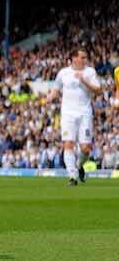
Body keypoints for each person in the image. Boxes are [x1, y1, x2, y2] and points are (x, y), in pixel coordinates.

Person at [47, 49, 102, 185]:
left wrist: (83, 80)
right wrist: (49, 97)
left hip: (85, 113)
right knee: (68, 143)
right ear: (74, 58)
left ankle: (78, 166)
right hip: (67, 113)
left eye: (85, 57)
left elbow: (98, 90)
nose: (85, 59)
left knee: (86, 148)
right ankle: (72, 177)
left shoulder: (89, 72)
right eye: (82, 57)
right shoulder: (63, 73)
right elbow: (56, 88)